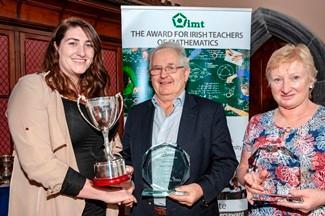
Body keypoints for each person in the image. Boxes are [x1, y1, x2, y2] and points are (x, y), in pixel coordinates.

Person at [6, 17, 135, 216]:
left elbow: (110, 146)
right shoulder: (32, 87)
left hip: (102, 208)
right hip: (60, 205)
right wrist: (101, 193)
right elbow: (38, 164)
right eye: (72, 43)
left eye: (88, 45)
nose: (81, 52)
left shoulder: (95, 95)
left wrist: (119, 173)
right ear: (56, 47)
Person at [122, 41, 238, 216]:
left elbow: (226, 162)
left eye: (171, 68)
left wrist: (201, 189)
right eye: (157, 69)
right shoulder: (136, 114)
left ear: (186, 73)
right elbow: (128, 157)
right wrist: (124, 177)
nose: (163, 75)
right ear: (150, 75)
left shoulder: (210, 112)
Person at [236, 43, 325, 215]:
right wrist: (247, 179)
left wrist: (322, 198)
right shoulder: (257, 123)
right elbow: (242, 167)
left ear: (311, 81)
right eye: (277, 79)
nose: (285, 88)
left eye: (295, 78)